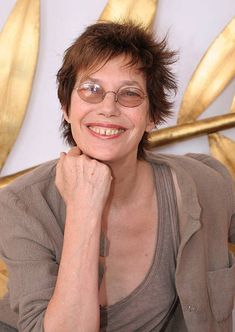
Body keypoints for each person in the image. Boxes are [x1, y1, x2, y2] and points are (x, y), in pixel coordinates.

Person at [0, 21, 235, 332]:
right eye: (91, 90)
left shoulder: (205, 183)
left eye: (130, 94)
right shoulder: (21, 206)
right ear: (66, 107)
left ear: (152, 116)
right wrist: (84, 209)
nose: (109, 107)